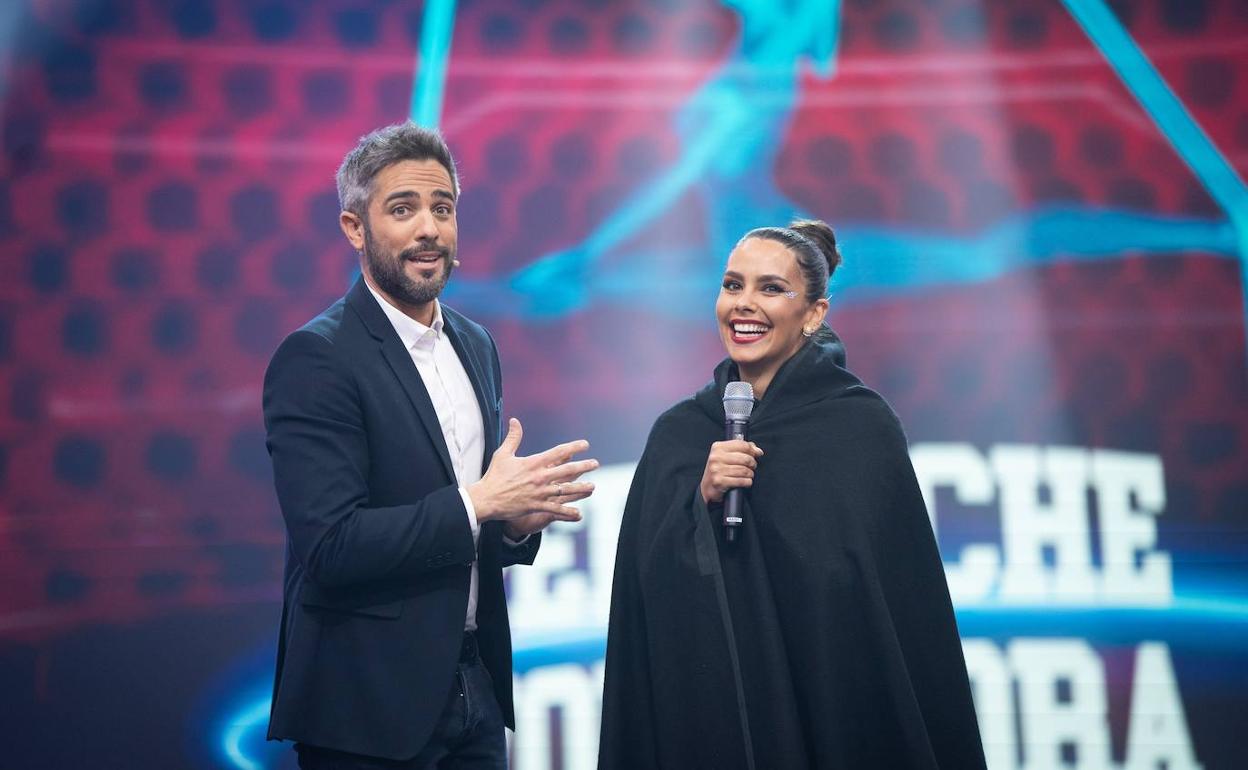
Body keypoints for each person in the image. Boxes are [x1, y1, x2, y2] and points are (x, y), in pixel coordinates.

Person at [263, 122, 597, 769]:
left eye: (442, 208)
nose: (429, 229)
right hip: (367, 709)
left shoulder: (476, 345)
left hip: (475, 693)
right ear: (354, 228)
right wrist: (479, 503)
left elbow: (463, 528)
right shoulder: (317, 358)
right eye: (403, 208)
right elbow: (331, 546)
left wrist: (514, 525)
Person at [598, 220, 986, 769]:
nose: (744, 305)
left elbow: (895, 610)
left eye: (771, 289)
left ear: (814, 314)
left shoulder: (860, 427)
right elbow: (643, 601)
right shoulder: (680, 434)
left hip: (836, 718)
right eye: (733, 286)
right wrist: (700, 503)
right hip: (715, 723)